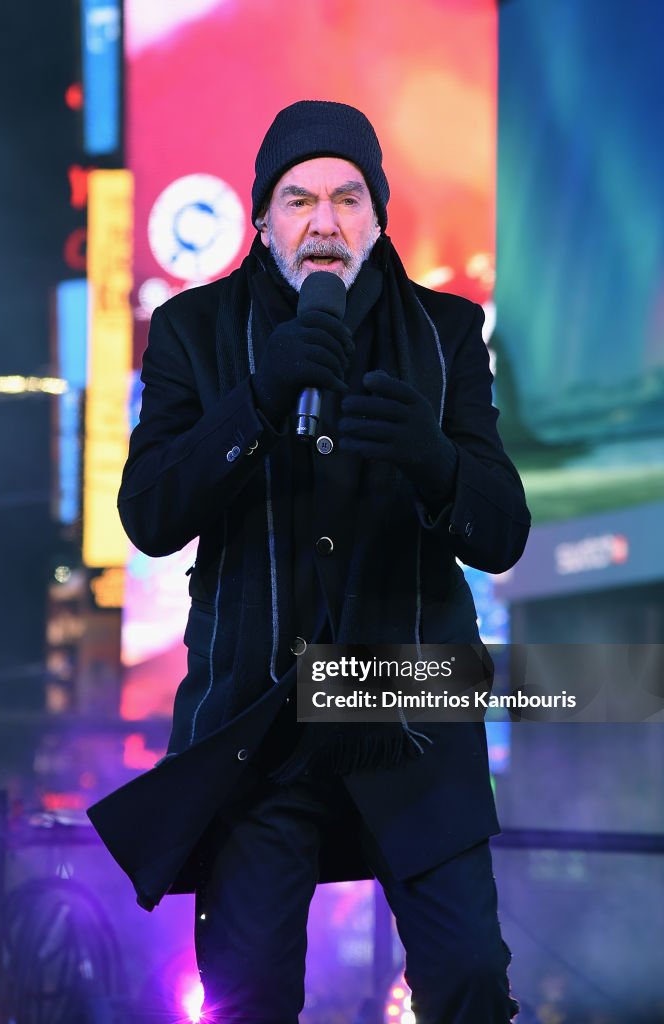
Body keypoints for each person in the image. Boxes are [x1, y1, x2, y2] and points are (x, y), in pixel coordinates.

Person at [88, 100, 530, 1023]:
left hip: (408, 712)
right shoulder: (193, 331)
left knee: (468, 981)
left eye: (346, 198)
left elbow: (502, 533)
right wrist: (255, 398)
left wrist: (434, 458)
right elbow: (150, 516)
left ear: (377, 218)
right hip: (260, 724)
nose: (322, 221)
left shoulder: (445, 334)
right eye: (297, 199)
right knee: (246, 998)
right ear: (261, 217)